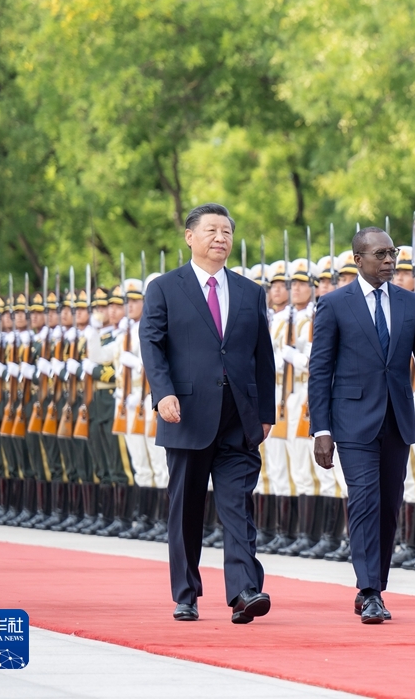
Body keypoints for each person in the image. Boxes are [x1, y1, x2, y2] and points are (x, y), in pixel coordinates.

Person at [140, 202, 276, 624]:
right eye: (212, 231)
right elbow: (152, 344)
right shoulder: (164, 288)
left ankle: (244, 591)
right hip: (186, 415)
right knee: (187, 510)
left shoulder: (250, 291)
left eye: (227, 232)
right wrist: (162, 394)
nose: (221, 238)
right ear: (190, 237)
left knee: (237, 504)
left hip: (239, 418)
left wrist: (266, 411)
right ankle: (186, 593)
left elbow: (262, 356)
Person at [308, 226, 415, 624]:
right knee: (365, 501)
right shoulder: (334, 305)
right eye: (381, 254)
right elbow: (319, 371)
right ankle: (369, 590)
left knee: (388, 507)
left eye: (393, 253)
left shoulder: (411, 303)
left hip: (397, 421)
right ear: (358, 260)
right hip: (351, 422)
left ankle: (375, 584)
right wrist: (321, 429)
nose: (390, 261)